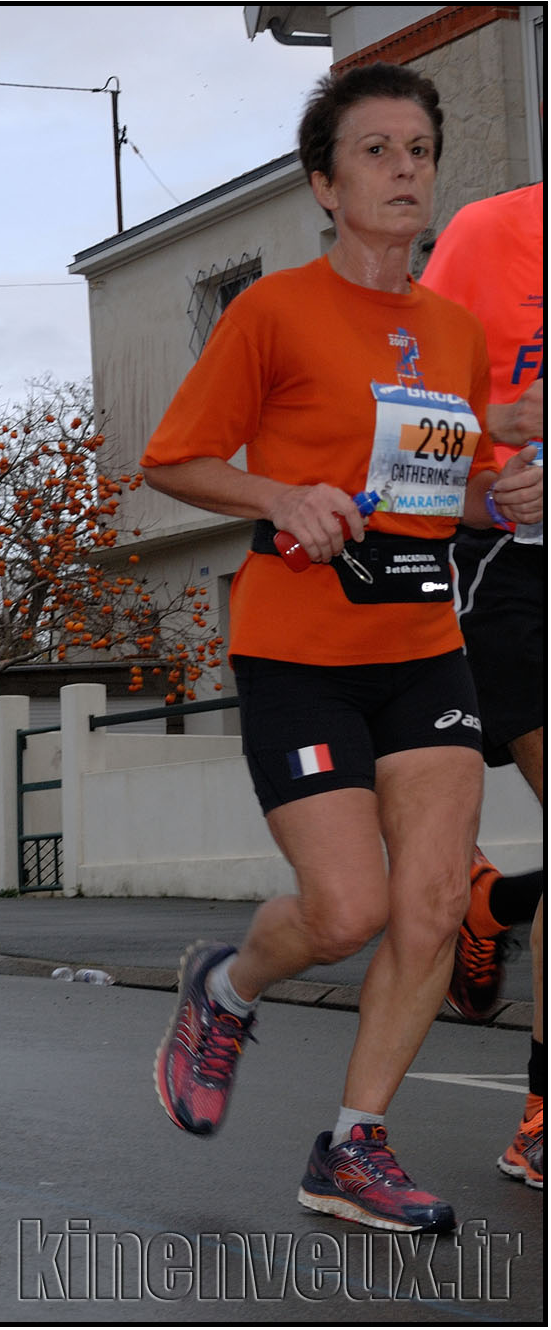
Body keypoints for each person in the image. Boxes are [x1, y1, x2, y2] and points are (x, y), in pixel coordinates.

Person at [142, 65, 542, 1234]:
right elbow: (172, 458)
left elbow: (451, 498)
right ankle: (227, 984)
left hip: (425, 641)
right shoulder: (270, 313)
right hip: (299, 645)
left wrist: (501, 490)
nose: (404, 167)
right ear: (324, 183)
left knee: (429, 898)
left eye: (417, 148)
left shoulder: (456, 333)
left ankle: (353, 1144)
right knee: (348, 907)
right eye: (375, 150)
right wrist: (280, 493)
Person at [423, 179, 547, 1190]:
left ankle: (494, 904)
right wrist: (488, 465)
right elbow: (411, 422)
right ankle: (543, 1118)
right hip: (512, 570)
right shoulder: (488, 234)